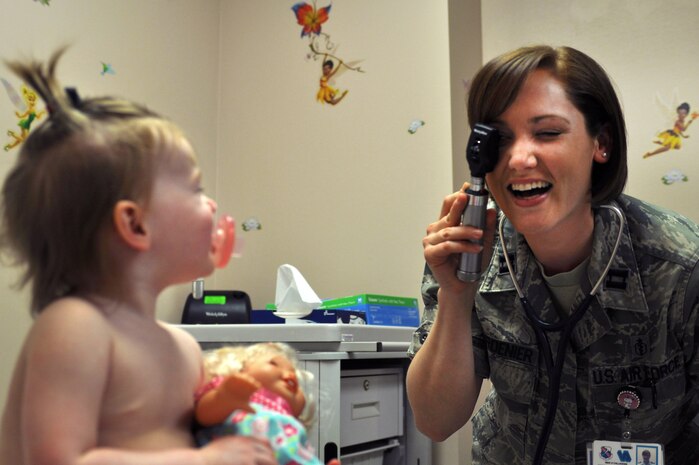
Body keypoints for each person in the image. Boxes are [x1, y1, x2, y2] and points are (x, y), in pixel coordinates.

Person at [406, 45, 699, 465]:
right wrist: (455, 295)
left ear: (601, 143)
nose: (519, 158)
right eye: (500, 139)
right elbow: (435, 421)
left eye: (547, 133)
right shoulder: (468, 253)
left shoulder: (683, 269)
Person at [0, 48, 276, 465]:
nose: (212, 204)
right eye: (197, 189)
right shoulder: (76, 328)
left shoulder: (184, 349)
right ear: (136, 225)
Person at [195, 342, 340, 465]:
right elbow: (203, 414)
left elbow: (298, 456)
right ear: (239, 369)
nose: (290, 375)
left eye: (294, 375)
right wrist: (225, 396)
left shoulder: (289, 424)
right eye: (274, 364)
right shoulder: (234, 393)